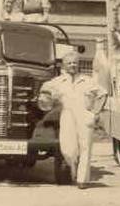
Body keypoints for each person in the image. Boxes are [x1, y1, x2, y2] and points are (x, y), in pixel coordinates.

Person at [39, 52, 107, 189]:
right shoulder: (58, 81)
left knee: (85, 147)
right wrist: (47, 95)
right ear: (64, 65)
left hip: (85, 114)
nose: (72, 65)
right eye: (69, 63)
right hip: (67, 114)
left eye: (75, 62)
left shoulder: (87, 80)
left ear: (79, 64)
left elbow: (103, 94)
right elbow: (44, 89)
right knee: (68, 149)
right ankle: (73, 168)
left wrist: (95, 112)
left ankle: (83, 180)